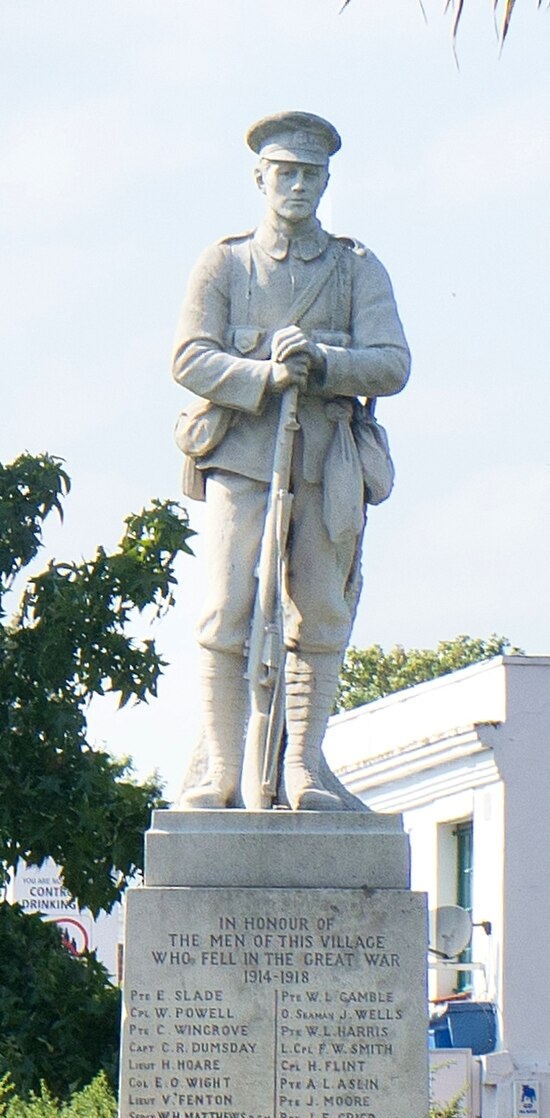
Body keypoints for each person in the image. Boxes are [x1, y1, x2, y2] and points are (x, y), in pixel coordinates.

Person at [173, 110, 410, 810]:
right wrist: (264, 376)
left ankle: (303, 769)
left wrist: (325, 364)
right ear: (261, 178)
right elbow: (188, 356)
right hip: (242, 461)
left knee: (321, 614)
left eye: (310, 174)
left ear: (327, 180)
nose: (298, 186)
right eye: (285, 173)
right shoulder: (225, 262)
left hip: (326, 463)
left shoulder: (354, 267)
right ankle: (220, 775)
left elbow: (393, 363)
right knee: (224, 609)